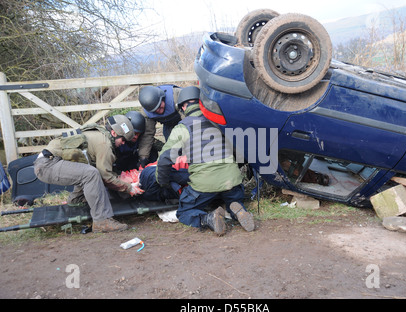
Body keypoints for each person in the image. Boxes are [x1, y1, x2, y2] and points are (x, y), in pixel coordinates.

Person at [156, 86, 255, 236]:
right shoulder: (220, 120)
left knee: (184, 212)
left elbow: (164, 159)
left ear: (183, 106)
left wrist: (162, 181)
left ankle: (207, 218)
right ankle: (238, 209)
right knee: (231, 199)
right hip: (232, 181)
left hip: (205, 185)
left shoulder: (183, 127)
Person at [33, 115, 144, 233]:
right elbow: (106, 177)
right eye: (122, 140)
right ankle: (102, 220)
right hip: (48, 165)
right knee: (91, 174)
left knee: (87, 171)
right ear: (114, 133)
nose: (123, 144)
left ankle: (77, 201)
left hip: (47, 162)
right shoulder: (104, 144)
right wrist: (129, 188)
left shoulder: (99, 134)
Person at [137, 85, 183, 168]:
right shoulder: (147, 112)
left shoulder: (177, 95)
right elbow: (148, 134)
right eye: (155, 110)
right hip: (168, 125)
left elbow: (191, 123)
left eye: (159, 106)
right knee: (172, 150)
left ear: (163, 98)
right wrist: (143, 156)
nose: (158, 110)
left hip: (183, 120)